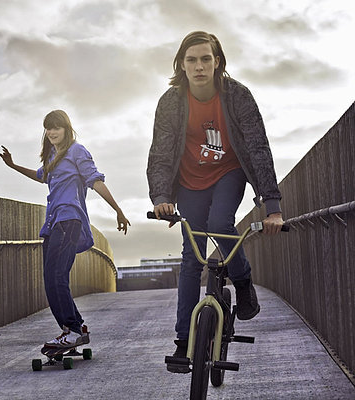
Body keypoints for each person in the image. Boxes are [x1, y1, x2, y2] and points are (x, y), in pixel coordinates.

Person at [146, 31, 285, 373]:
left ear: (217, 61)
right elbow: (161, 152)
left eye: (205, 59)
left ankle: (243, 284)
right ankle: (183, 341)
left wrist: (273, 205)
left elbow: (257, 148)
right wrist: (162, 197)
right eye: (191, 60)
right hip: (189, 182)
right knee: (192, 256)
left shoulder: (237, 96)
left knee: (221, 225)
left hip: (229, 172)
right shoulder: (170, 102)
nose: (198, 66)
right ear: (182, 64)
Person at [0, 109, 130, 348]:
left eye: (56, 127)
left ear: (66, 129)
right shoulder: (52, 155)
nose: (51, 132)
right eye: (48, 128)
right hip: (52, 223)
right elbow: (42, 176)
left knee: (58, 277)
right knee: (50, 279)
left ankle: (72, 329)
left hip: (69, 220)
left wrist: (118, 210)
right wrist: (13, 166)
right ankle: (74, 327)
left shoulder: (76, 151)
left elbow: (95, 180)